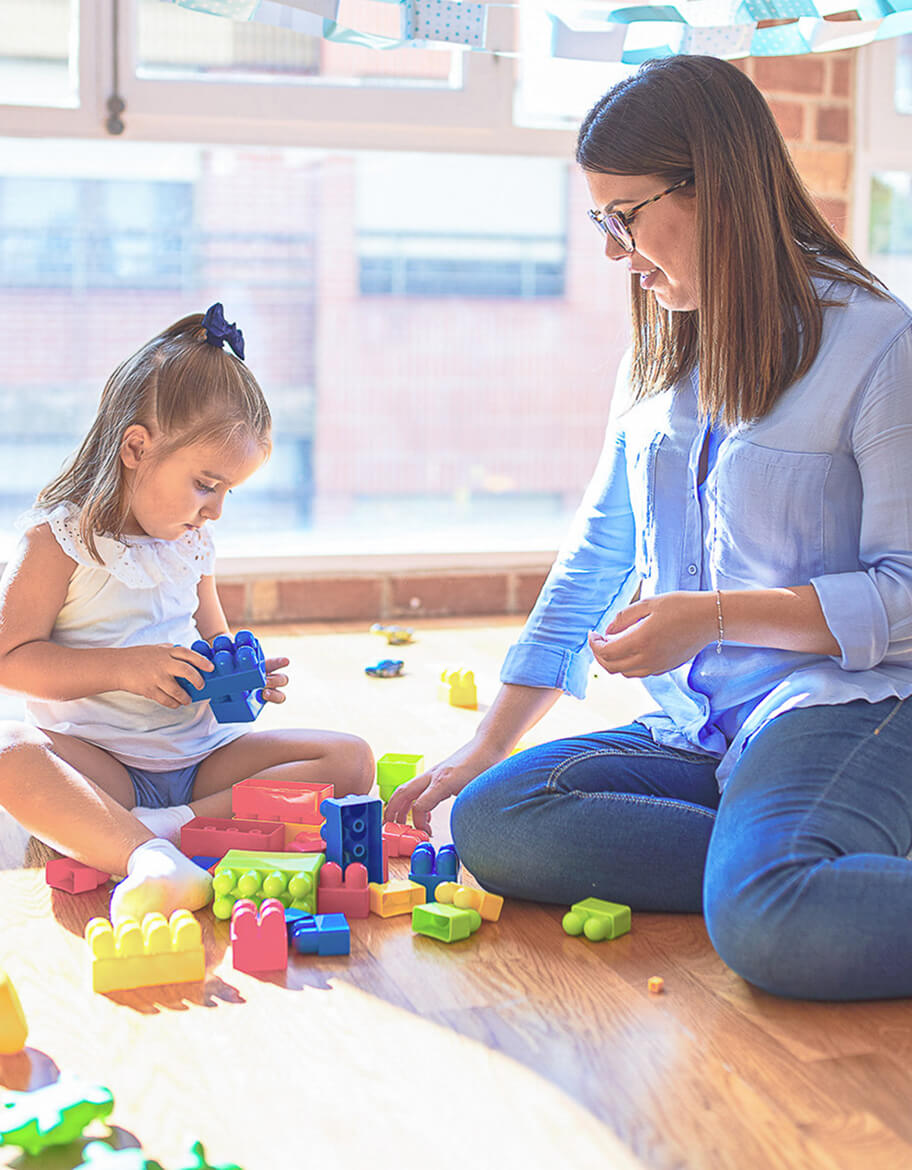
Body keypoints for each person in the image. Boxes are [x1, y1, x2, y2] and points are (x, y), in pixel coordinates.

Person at [386, 55, 912, 1002]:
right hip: (703, 733)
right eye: (600, 220)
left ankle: (785, 868)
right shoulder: (666, 345)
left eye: (623, 217)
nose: (611, 249)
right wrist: (483, 746)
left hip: (845, 709)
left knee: (772, 921)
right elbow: (596, 556)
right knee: (496, 819)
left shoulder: (878, 344)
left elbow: (905, 596)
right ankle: (805, 851)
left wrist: (712, 615)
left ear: (715, 186)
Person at [0, 306, 374, 923]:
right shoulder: (58, 540)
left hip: (202, 760)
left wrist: (243, 678)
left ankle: (153, 837)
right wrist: (123, 670)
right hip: (102, 761)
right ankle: (147, 851)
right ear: (136, 447)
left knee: (351, 760)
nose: (216, 510)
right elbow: (11, 660)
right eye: (206, 484)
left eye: (229, 491)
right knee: (9, 749)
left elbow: (213, 637)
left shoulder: (191, 543)